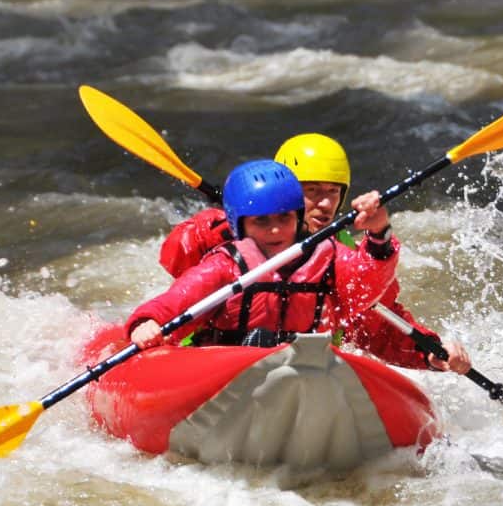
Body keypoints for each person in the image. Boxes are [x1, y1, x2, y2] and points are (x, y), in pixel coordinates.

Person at [157, 134, 472, 373]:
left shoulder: (343, 253)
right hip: (216, 360)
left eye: (332, 192)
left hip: (305, 366)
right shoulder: (227, 232)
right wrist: (227, 229)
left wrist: (428, 350)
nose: (324, 204)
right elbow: (175, 259)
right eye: (312, 192)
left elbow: (377, 322)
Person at [128, 159, 398, 350]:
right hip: (230, 369)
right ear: (239, 225)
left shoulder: (327, 257)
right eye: (261, 221)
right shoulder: (225, 264)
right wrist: (147, 323)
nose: (275, 229)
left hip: (308, 367)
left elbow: (366, 289)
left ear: (299, 217)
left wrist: (378, 235)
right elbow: (176, 301)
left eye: (284, 217)